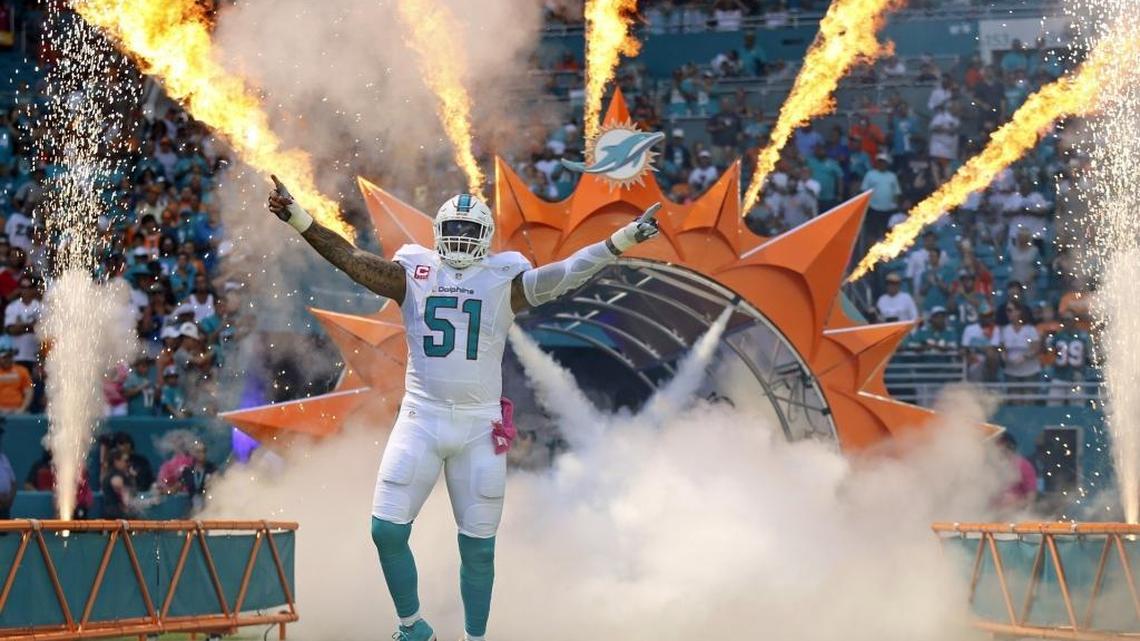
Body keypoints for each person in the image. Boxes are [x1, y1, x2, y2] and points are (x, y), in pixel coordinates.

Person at [267, 176, 663, 641]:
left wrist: (622, 239)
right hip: (422, 416)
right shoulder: (413, 273)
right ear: (436, 231)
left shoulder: (503, 280)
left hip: (479, 426)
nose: (459, 237)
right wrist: (298, 217)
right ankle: (413, 626)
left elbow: (566, 273)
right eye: (452, 227)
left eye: (468, 229)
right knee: (386, 531)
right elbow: (352, 259)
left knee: (478, 550)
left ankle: (475, 638)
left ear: (486, 236)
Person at [993, 302, 1041, 403]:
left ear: (1018, 312)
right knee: (1015, 402)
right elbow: (1002, 348)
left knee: (1029, 401)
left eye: (1010, 310)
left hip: (1030, 371)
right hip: (1011, 371)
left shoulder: (1030, 329)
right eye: (1007, 311)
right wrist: (1004, 356)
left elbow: (1036, 348)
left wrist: (1025, 357)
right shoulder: (1004, 330)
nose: (1008, 313)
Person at [1044, 311, 1092, 405]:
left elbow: (1089, 354)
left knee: (1078, 407)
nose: (1067, 322)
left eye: (1069, 319)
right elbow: (1049, 354)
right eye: (1064, 320)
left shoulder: (1083, 336)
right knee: (1053, 406)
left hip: (1077, 376)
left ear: (1074, 320)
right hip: (1059, 375)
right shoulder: (1057, 336)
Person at [102, 446, 138, 519]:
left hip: (114, 514)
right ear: (116, 461)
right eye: (125, 461)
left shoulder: (110, 473)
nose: (127, 463)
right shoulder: (115, 475)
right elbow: (124, 495)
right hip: (117, 516)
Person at [181, 441, 216, 512]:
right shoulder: (187, 471)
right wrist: (165, 490)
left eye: (204, 451)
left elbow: (219, 484)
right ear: (194, 454)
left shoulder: (212, 469)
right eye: (199, 452)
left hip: (209, 506)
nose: (202, 454)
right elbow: (178, 485)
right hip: (192, 507)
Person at [0, 347, 31, 414]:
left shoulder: (22, 371)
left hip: (17, 409)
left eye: (10, 357)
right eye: (4, 358)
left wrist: (22, 409)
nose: (7, 360)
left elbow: (28, 392)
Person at [0, 423, 14, 519]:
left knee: (5, 533)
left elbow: (14, 482)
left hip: (5, 507)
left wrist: (9, 498)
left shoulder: (4, 458)